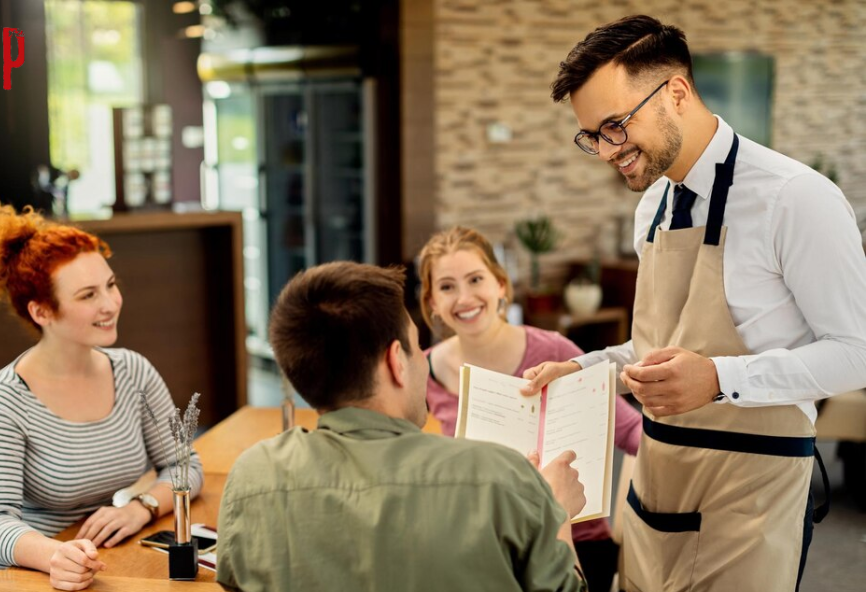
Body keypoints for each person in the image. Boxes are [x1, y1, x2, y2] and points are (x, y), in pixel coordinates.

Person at [520, 15, 866, 592]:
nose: (607, 151)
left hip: (752, 496)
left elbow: (857, 353)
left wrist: (716, 379)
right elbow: (656, 347)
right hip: (655, 486)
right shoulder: (651, 205)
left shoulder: (796, 198)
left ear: (676, 93)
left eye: (614, 126)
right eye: (592, 136)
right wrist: (580, 369)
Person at [215, 261, 588, 592]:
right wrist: (558, 515)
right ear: (396, 360)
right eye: (414, 346)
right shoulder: (503, 478)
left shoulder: (251, 478)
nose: (424, 364)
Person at [0, 205, 204, 592]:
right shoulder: (1, 401)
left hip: (91, 562)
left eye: (111, 285)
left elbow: (185, 468)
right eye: (88, 295)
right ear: (42, 311)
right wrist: (54, 555)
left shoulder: (133, 371)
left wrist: (142, 507)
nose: (110, 304)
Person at [418, 226, 641, 592]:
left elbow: (631, 431)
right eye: (446, 286)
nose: (464, 297)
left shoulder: (553, 352)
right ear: (431, 303)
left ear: (501, 285)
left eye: (476, 279)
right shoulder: (424, 370)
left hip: (579, 544)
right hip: (488, 550)